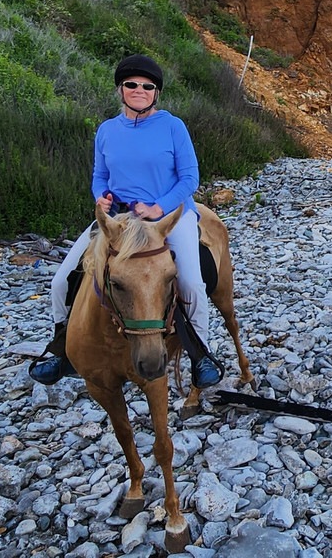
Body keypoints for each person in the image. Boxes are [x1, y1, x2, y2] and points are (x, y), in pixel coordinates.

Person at [29, 54, 223, 388]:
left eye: (148, 86)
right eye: (131, 84)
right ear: (121, 89)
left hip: (167, 220)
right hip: (118, 220)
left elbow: (190, 179)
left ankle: (201, 355)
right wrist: (100, 195)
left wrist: (158, 208)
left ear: (156, 93)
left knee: (190, 283)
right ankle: (62, 353)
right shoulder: (106, 131)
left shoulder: (173, 126)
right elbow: (99, 175)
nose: (139, 90)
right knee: (62, 281)